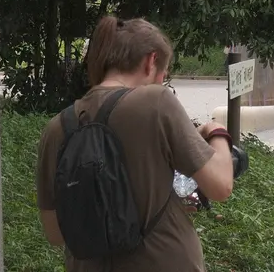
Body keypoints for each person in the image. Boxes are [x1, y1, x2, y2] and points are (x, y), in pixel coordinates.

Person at [35, 17, 235, 272]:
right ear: (151, 61)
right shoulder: (156, 101)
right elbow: (221, 186)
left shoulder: (57, 128)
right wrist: (216, 130)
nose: (162, 81)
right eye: (164, 73)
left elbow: (54, 233)